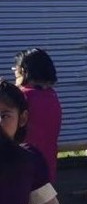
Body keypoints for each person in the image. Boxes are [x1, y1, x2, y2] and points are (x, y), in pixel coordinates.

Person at [12, 48, 62, 183]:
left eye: (15, 68)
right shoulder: (51, 95)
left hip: (21, 167)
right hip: (46, 165)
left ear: (23, 70)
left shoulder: (21, 96)